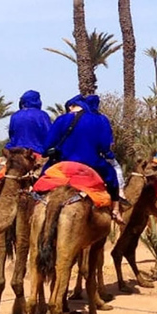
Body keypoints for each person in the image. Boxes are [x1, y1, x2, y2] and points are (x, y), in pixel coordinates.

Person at [42, 94, 124, 223]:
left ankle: (32, 206)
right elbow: (104, 146)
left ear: (71, 106)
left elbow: (47, 146)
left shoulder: (61, 119)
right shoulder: (100, 120)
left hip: (63, 164)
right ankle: (115, 210)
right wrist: (107, 154)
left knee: (41, 181)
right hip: (92, 163)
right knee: (112, 178)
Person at [5, 90, 51, 154]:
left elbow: (11, 134)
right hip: (37, 152)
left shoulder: (15, 115)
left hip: (17, 152)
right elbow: (49, 134)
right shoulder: (42, 115)